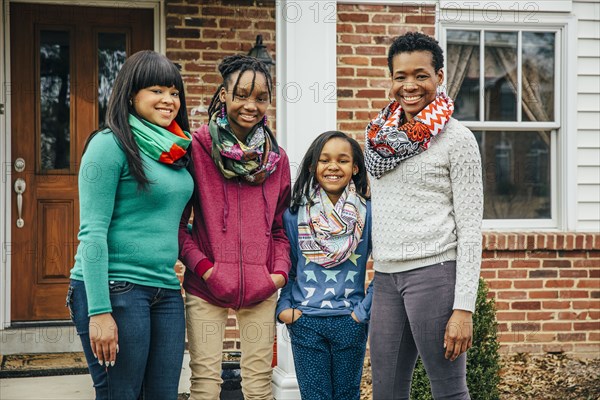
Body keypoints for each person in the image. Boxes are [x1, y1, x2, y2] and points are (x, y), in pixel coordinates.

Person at [66, 50, 193, 399]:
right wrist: (99, 312)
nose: (168, 100)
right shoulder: (110, 145)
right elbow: (91, 232)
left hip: (165, 289)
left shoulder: (175, 151)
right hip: (117, 287)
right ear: (131, 94)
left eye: (174, 92)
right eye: (157, 90)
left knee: (163, 394)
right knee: (120, 394)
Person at [365, 32, 483, 400]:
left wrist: (463, 308)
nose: (410, 85)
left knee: (448, 391)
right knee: (386, 392)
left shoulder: (457, 139)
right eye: (400, 76)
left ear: (440, 76)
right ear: (391, 80)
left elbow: (471, 228)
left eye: (421, 75)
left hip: (434, 276)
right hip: (385, 278)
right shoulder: (377, 138)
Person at [178, 54, 291, 400]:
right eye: (241, 95)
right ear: (224, 95)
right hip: (206, 286)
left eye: (260, 97)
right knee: (205, 386)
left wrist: (278, 274)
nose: (250, 105)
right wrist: (206, 269)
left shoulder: (277, 159)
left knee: (258, 387)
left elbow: (280, 228)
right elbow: (178, 226)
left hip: (260, 289)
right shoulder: (197, 148)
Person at [276, 131, 372, 400]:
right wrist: (285, 309)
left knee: (347, 395)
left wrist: (362, 313)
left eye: (342, 160)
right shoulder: (294, 215)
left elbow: (387, 268)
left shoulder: (369, 213)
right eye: (324, 160)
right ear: (312, 166)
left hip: (349, 321)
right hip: (306, 322)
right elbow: (290, 268)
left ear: (355, 168)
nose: (333, 166)